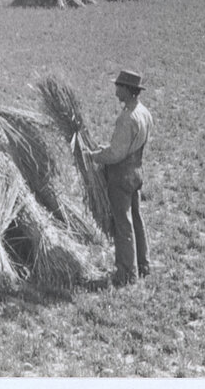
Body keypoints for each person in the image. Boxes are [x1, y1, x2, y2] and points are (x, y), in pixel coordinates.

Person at [87, 69, 152, 287]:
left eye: (118, 87)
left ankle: (126, 273)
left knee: (123, 224)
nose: (116, 91)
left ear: (127, 89)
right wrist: (108, 148)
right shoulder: (143, 112)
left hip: (121, 176)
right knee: (136, 219)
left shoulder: (127, 118)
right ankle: (143, 265)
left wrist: (94, 156)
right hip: (137, 171)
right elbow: (128, 146)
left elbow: (116, 154)